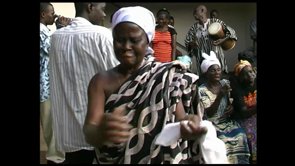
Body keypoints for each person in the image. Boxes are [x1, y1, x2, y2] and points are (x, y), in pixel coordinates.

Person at [83, 6, 209, 164]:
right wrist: (101, 131)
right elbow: (90, 130)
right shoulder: (100, 81)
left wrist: (189, 126)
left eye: (134, 40)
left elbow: (181, 119)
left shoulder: (164, 77)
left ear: (147, 41)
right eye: (119, 40)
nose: (126, 46)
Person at [49, 2, 119, 164]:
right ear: (90, 7)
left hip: (68, 131)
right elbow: (119, 78)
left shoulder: (56, 38)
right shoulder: (102, 35)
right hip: (97, 129)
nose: (103, 15)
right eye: (102, 9)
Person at [198, 51, 250, 164]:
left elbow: (231, 101)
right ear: (206, 73)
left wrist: (231, 107)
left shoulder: (225, 83)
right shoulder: (202, 90)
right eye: (212, 70)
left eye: (218, 69)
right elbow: (209, 113)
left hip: (227, 122)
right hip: (213, 124)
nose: (217, 72)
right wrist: (220, 95)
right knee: (222, 140)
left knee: (241, 135)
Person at [40, 3, 65, 164]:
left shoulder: (44, 31)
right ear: (43, 14)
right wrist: (62, 29)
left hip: (45, 85)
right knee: (50, 123)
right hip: (45, 86)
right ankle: (54, 158)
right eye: (52, 13)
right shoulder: (41, 31)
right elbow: (54, 50)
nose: (54, 16)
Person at [185, 5, 237, 77]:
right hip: (202, 61)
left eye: (195, 12)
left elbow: (231, 32)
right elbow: (188, 42)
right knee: (204, 84)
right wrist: (192, 44)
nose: (194, 14)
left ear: (203, 11)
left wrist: (222, 40)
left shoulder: (215, 22)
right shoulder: (194, 28)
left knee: (220, 79)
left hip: (217, 58)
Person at [231, 60, 257, 164]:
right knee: (251, 134)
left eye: (251, 72)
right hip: (243, 118)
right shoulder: (237, 89)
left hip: (254, 114)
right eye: (247, 73)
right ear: (240, 76)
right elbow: (243, 112)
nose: (251, 75)